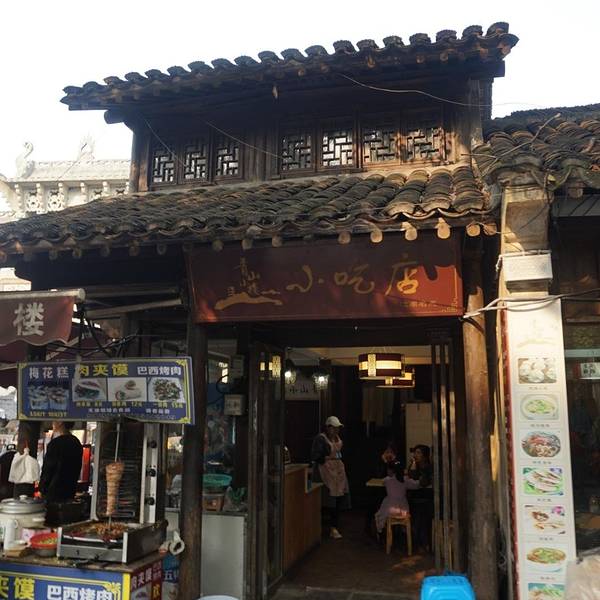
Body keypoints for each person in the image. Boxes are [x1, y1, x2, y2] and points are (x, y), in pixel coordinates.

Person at [311, 415, 350, 539]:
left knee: (338, 499)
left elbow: (340, 453)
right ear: (328, 427)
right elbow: (316, 456)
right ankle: (327, 527)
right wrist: (326, 458)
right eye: (334, 428)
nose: (336, 430)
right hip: (326, 471)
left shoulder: (337, 439)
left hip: (338, 471)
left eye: (338, 428)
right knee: (328, 500)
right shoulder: (320, 439)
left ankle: (334, 526)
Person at [39, 422, 83, 503]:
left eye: (55, 420)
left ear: (60, 423)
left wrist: (42, 488)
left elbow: (48, 469)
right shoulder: (76, 442)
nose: (52, 423)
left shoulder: (55, 444)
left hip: (53, 492)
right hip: (70, 490)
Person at [375, 461, 420, 534]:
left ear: (391, 470)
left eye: (388, 469)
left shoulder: (387, 480)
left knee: (380, 513)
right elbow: (416, 485)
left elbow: (383, 481)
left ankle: (384, 532)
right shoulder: (405, 480)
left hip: (390, 509)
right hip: (403, 510)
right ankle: (403, 531)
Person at [407, 444, 434, 552]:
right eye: (415, 452)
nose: (415, 455)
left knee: (423, 520)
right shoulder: (414, 465)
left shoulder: (428, 467)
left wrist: (416, 475)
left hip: (426, 497)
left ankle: (424, 543)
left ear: (424, 455)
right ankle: (418, 544)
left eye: (418, 453)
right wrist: (413, 465)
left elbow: (423, 482)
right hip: (415, 497)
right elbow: (411, 478)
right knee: (416, 520)